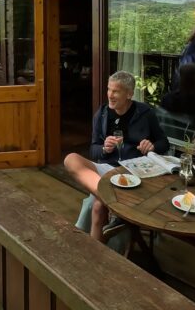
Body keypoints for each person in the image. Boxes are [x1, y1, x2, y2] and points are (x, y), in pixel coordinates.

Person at [63, 71, 168, 243]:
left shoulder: (145, 113)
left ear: (129, 94)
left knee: (98, 206)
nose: (110, 95)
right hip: (108, 170)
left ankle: (94, 251)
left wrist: (152, 146)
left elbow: (164, 143)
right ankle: (111, 199)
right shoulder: (102, 114)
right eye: (108, 89)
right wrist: (104, 149)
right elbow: (93, 150)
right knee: (70, 159)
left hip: (134, 172)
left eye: (116, 91)